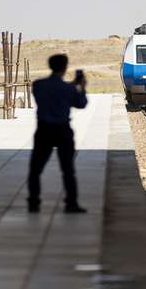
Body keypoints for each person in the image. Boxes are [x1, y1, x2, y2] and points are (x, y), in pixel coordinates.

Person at [28, 54, 88, 213]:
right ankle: (71, 204)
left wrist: (70, 86)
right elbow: (81, 104)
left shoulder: (38, 85)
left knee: (35, 170)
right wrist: (80, 87)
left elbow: (50, 92)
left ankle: (33, 203)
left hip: (43, 130)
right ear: (65, 67)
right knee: (68, 170)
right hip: (63, 131)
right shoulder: (69, 89)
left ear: (50, 66)